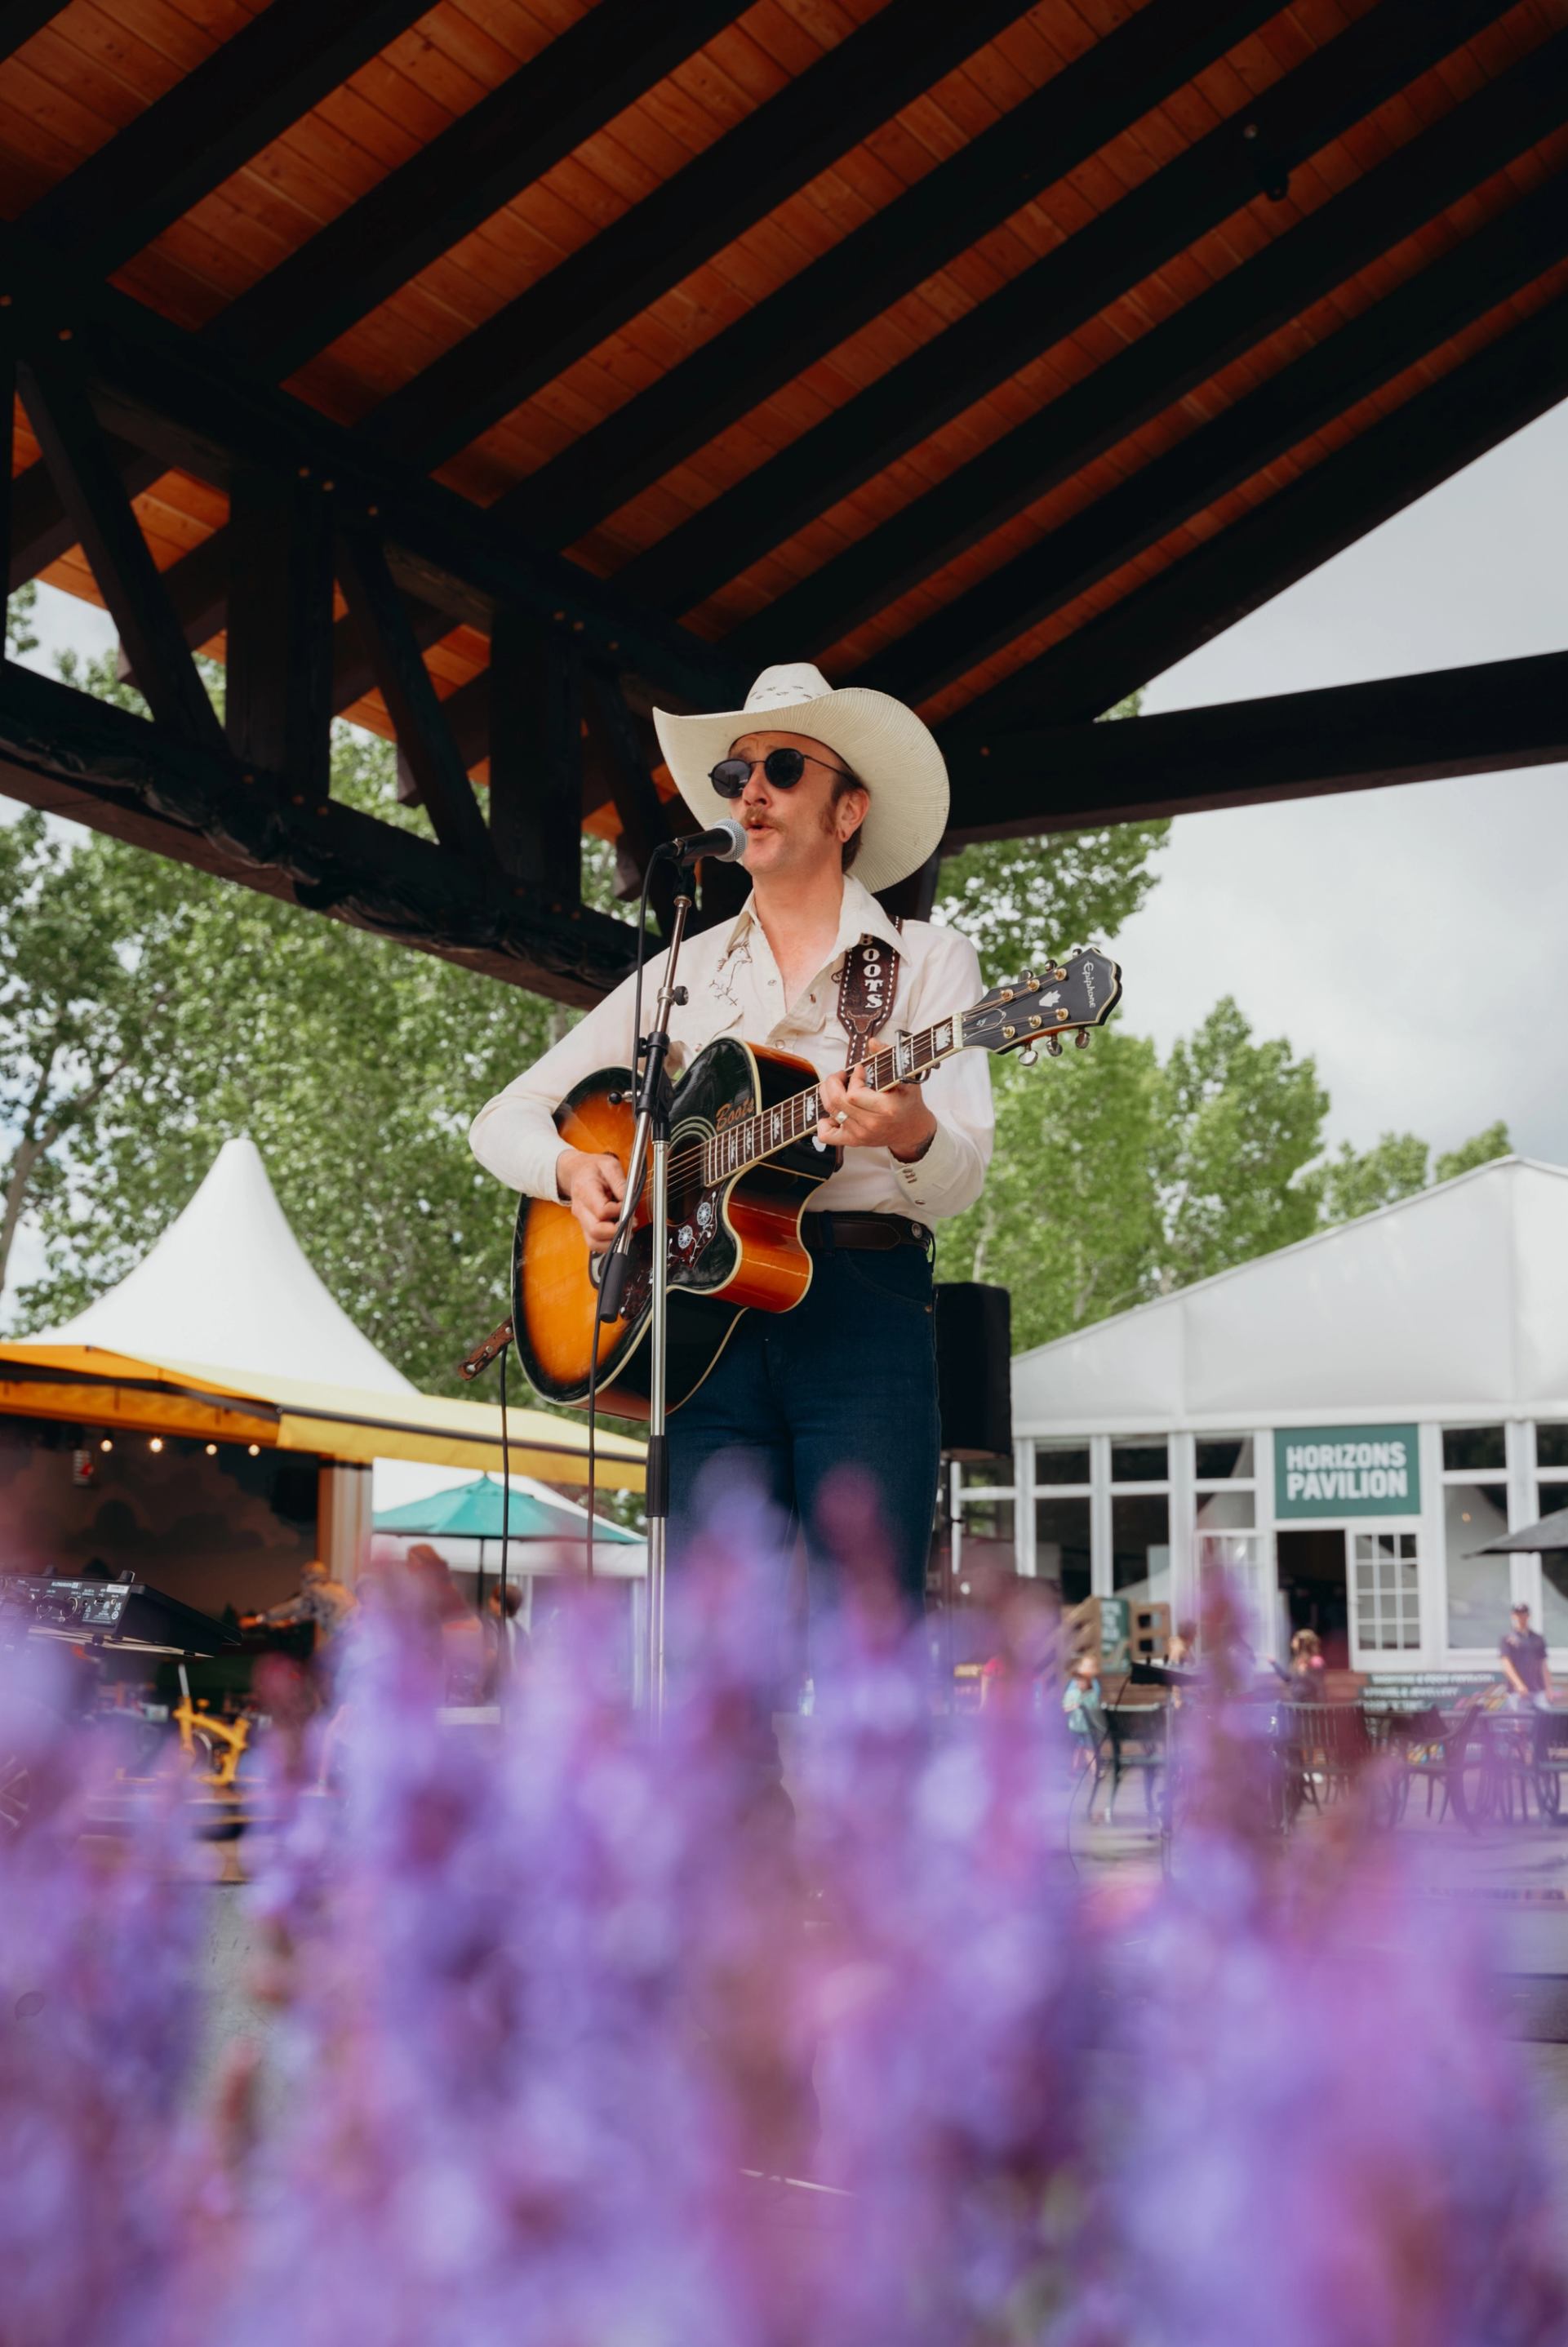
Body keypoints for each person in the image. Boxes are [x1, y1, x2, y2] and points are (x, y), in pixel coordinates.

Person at [470, 662, 994, 1656]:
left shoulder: (926, 963)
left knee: (867, 1638)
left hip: (864, 1307)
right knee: (713, 1656)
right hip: (703, 1327)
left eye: (783, 767)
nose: (749, 790)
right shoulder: (681, 970)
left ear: (849, 809)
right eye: (734, 773)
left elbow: (962, 1177)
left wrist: (909, 1130)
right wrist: (574, 1173)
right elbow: (502, 1118)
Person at [1500, 1601, 1555, 1710]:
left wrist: (1548, 1688)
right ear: (1513, 1616)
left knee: (1545, 1719)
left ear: (1528, 1616)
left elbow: (1543, 1665)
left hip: (1538, 1689)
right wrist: (1519, 1684)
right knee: (1520, 1723)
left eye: (1524, 1613)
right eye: (1518, 1614)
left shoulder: (1538, 1638)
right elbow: (1506, 1665)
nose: (1521, 1617)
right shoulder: (1507, 1638)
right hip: (1518, 1691)